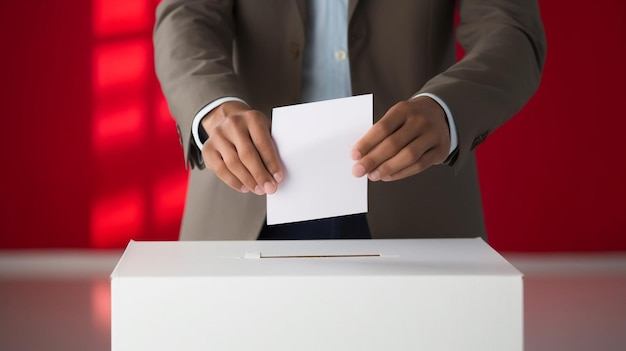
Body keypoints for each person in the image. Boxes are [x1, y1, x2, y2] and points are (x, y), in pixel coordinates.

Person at [154, 0, 546, 241]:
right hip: (247, 195)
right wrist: (214, 105)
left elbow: (510, 29)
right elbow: (185, 14)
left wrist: (447, 107)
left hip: (416, 197)